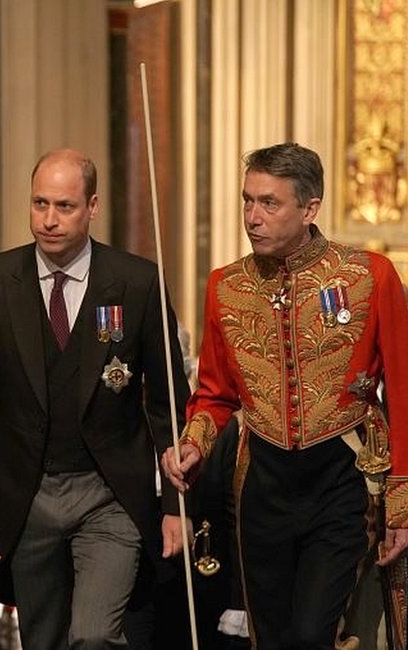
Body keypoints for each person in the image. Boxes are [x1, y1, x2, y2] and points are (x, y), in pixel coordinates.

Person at [162, 141, 408, 649]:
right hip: (262, 488)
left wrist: (403, 502)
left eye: (269, 203)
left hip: (343, 480)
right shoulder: (225, 286)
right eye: (248, 201)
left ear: (310, 208)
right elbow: (214, 394)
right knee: (270, 637)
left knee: (311, 633)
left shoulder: (369, 276)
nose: (253, 217)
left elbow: (404, 392)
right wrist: (194, 443)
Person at [0, 148, 190, 649]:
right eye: (39, 204)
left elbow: (168, 399)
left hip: (109, 494)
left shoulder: (139, 282)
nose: (49, 220)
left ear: (93, 206)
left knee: (94, 635)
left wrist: (176, 504)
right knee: (44, 640)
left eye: (64, 206)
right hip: (26, 494)